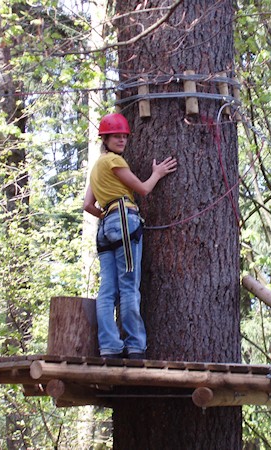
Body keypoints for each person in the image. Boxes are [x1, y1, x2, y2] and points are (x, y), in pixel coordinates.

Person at [83, 113, 177, 359]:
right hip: (124, 219)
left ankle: (109, 346)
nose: (122, 140)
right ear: (105, 139)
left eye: (124, 136)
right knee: (128, 287)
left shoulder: (97, 167)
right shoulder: (114, 161)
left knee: (107, 290)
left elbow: (88, 205)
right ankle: (135, 345)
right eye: (116, 136)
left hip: (105, 226)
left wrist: (108, 217)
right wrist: (157, 172)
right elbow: (143, 189)